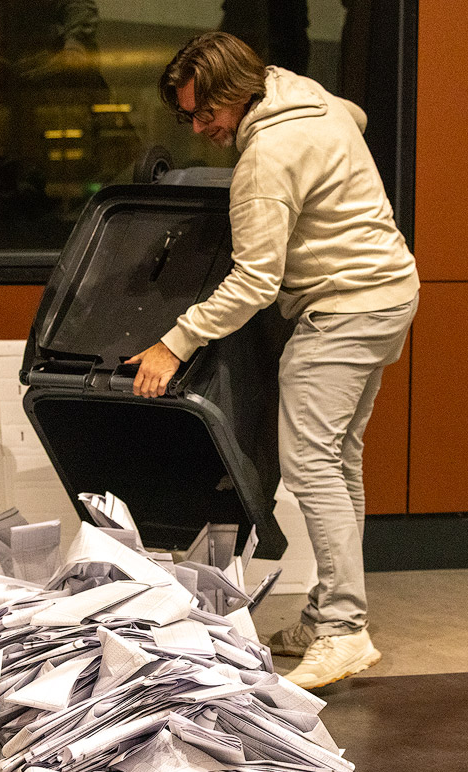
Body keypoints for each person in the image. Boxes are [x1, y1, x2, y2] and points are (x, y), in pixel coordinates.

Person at [127, 31, 418, 690]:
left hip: (341, 308)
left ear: (237, 93)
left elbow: (257, 281)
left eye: (208, 113)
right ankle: (328, 617)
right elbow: (357, 116)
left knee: (313, 465)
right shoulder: (303, 96)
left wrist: (175, 342)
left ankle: (344, 631)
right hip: (389, 292)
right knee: (337, 461)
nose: (202, 129)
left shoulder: (268, 155)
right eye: (189, 117)